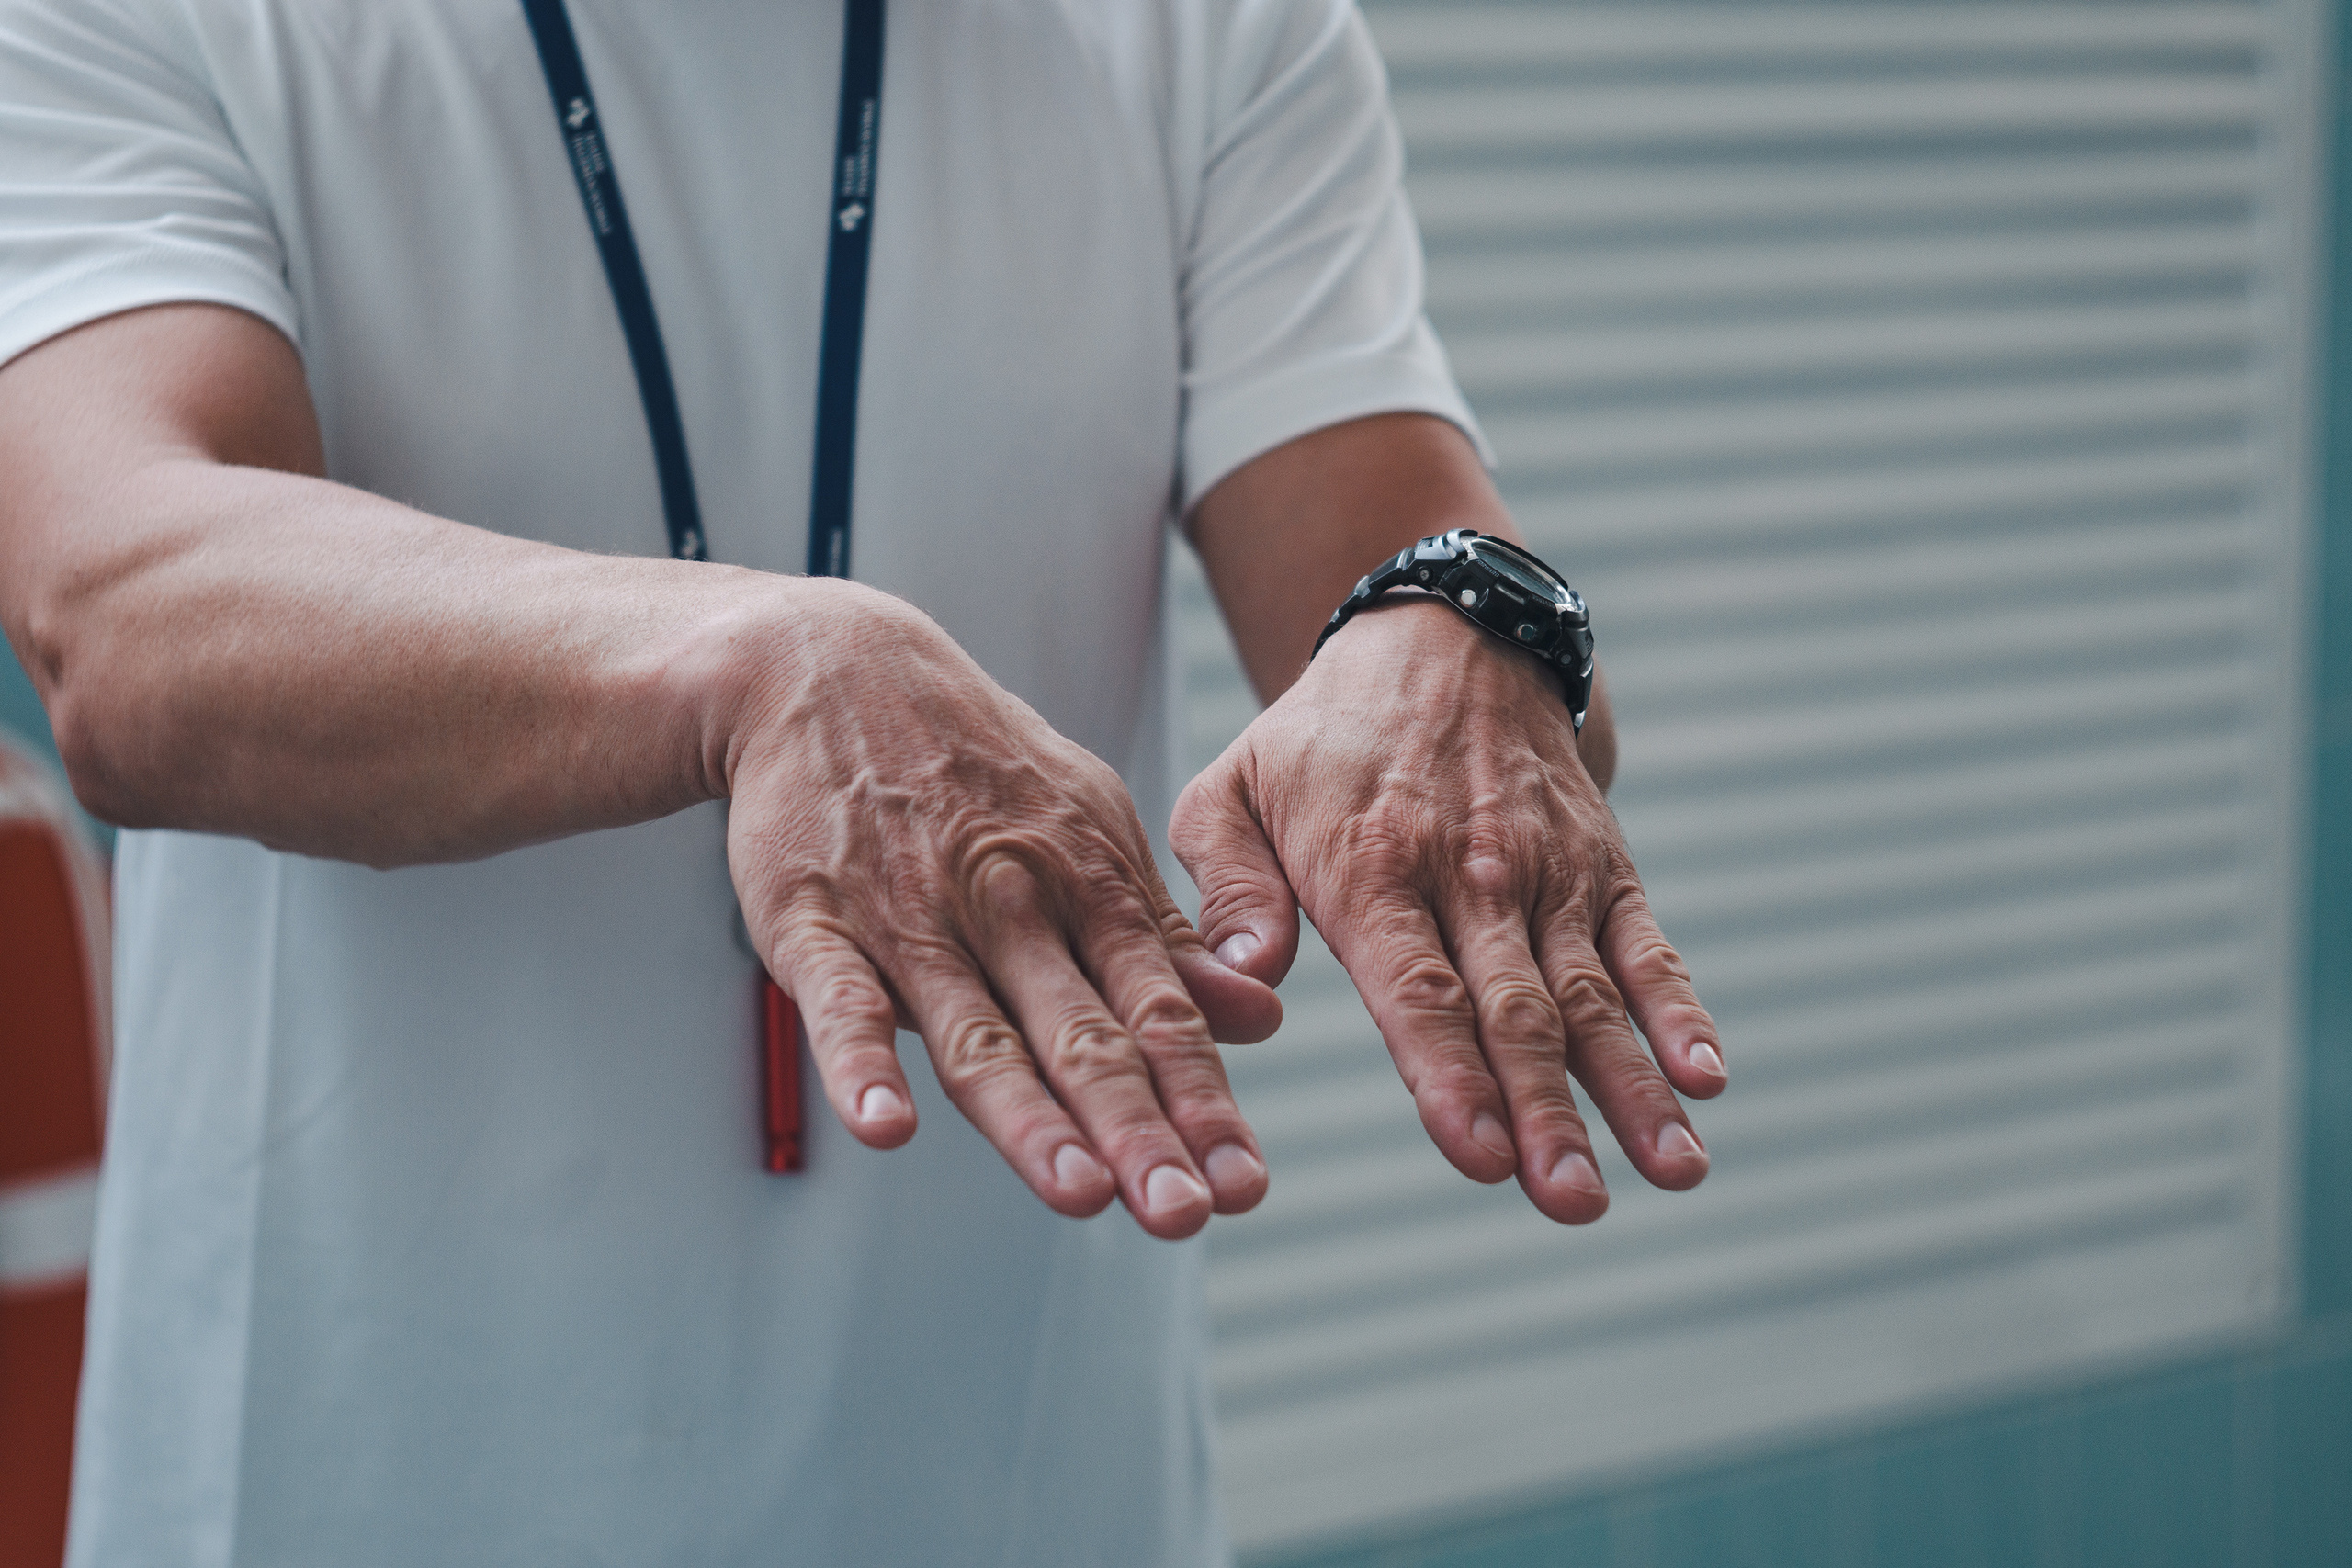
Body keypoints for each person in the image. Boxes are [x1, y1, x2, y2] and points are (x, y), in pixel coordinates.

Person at [0, 0, 1725, 1562]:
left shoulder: (1211, 31)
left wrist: (1465, 635)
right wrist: (762, 668)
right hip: (344, 1487)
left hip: (1030, 1496)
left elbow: (1387, 567)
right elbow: (127, 614)